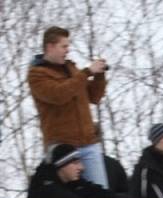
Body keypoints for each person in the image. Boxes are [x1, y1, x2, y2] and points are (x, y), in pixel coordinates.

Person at [27, 26, 109, 188]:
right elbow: (59, 95)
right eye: (64, 46)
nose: (67, 50)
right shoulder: (37, 74)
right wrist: (86, 72)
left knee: (101, 196)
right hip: (62, 148)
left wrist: (99, 76)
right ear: (50, 47)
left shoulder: (72, 69)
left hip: (88, 143)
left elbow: (94, 97)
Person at [27, 143, 124, 198]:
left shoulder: (75, 183)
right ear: (62, 165)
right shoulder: (45, 188)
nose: (81, 167)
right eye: (75, 163)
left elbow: (97, 193)